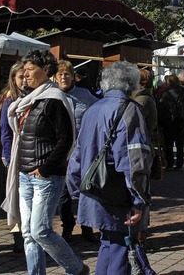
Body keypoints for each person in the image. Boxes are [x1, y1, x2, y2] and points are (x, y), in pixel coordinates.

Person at [6, 50, 88, 275]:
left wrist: (44, 169)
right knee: (28, 234)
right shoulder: (29, 100)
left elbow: (66, 140)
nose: (26, 74)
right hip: (24, 175)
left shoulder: (54, 100)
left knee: (41, 231)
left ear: (46, 71)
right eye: (25, 70)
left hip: (46, 177)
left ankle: (76, 268)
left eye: (31, 69)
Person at [67, 61, 151, 274]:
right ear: (131, 84)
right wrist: (138, 199)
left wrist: (76, 188)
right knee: (120, 247)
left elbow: (78, 153)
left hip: (94, 189)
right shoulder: (130, 110)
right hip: (116, 193)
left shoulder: (92, 109)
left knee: (108, 244)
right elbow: (133, 159)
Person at [54, 60, 99, 243]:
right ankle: (68, 226)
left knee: (85, 190)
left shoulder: (85, 95)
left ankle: (87, 227)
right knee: (63, 195)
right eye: (60, 75)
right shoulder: (53, 96)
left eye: (67, 74)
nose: (64, 77)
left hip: (83, 153)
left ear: (73, 76)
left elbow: (99, 112)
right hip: (62, 153)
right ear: (55, 78)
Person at [0, 62, 27, 254]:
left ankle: (27, 234)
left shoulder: (33, 97)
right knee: (15, 197)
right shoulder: (9, 100)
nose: (24, 81)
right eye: (20, 77)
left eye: (26, 76)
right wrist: (8, 156)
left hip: (30, 154)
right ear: (13, 79)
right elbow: (5, 132)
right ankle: (18, 236)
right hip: (15, 154)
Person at [132, 69, 159, 245]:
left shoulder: (141, 100)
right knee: (142, 190)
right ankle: (141, 228)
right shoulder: (145, 97)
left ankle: (140, 231)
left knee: (139, 191)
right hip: (145, 148)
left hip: (140, 150)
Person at [157, 74, 184, 171]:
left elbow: (161, 108)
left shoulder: (165, 93)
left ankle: (170, 164)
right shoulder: (183, 91)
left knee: (168, 143)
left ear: (168, 82)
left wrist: (160, 122)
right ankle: (179, 164)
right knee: (180, 143)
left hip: (168, 121)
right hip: (181, 120)